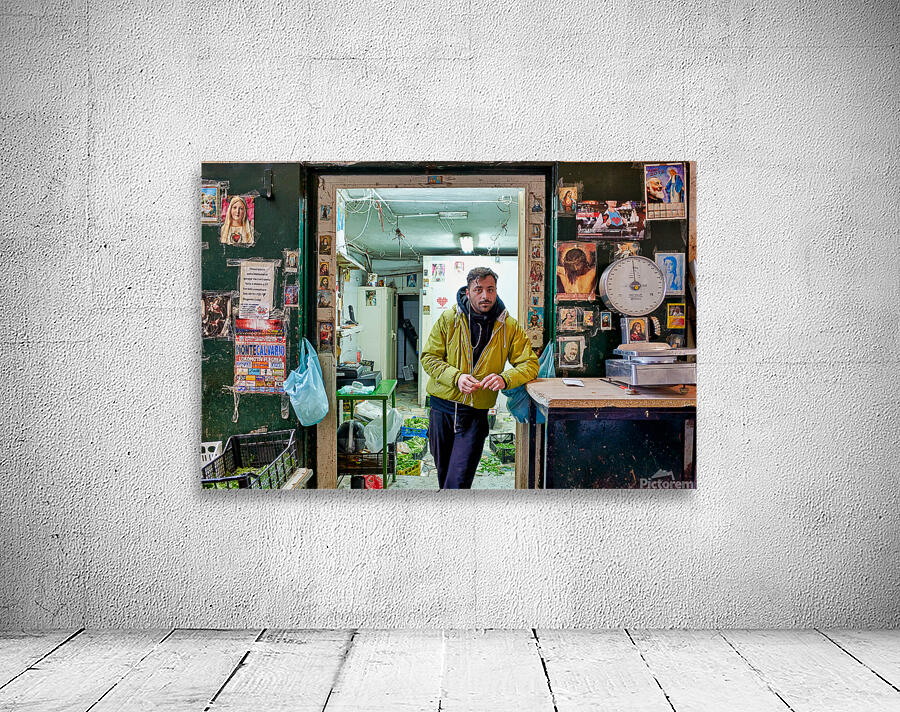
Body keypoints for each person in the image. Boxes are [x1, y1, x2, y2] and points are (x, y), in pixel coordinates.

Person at [420, 267, 539, 489]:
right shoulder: (449, 319)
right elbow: (429, 358)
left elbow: (530, 364)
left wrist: (505, 378)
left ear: (496, 291)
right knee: (445, 476)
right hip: (440, 410)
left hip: (474, 415)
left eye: (490, 289)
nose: (485, 296)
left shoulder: (508, 326)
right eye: (479, 290)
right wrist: (456, 378)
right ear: (468, 292)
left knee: (458, 482)